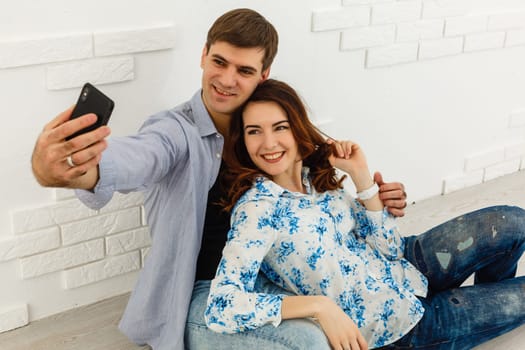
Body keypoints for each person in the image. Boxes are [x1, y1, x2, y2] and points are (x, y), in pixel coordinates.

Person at [30, 8, 408, 350]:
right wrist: (78, 170)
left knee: (409, 257)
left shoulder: (267, 128)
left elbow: (320, 180)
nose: (226, 80)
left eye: (243, 71)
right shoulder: (175, 131)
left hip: (269, 279)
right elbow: (141, 155)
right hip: (205, 295)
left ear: (263, 75)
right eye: (219, 62)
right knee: (310, 340)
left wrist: (375, 194)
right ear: (203, 55)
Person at [205, 79, 525, 350]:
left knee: (513, 222)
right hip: (401, 327)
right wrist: (318, 306)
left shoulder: (316, 179)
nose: (269, 142)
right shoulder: (256, 211)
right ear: (243, 141)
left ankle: (488, 295)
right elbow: (221, 305)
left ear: (298, 129)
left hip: (406, 269)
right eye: (254, 131)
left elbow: (389, 248)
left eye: (280, 127)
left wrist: (361, 177)